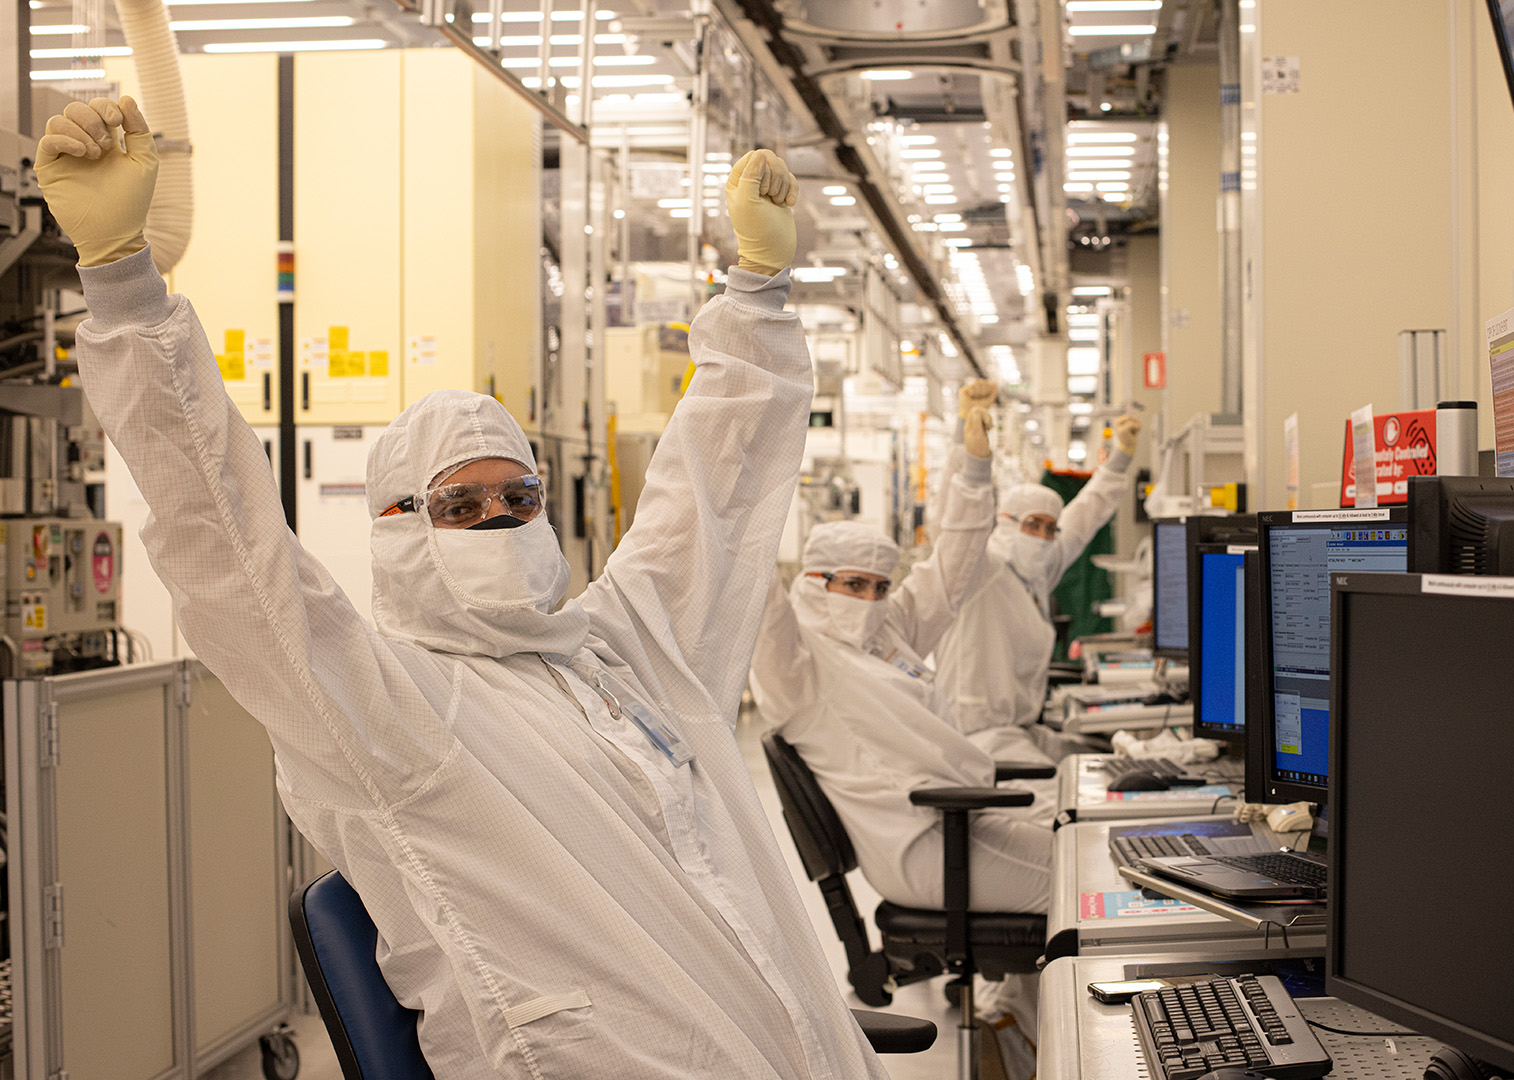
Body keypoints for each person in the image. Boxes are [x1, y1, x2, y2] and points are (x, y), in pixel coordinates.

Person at [41, 96, 885, 1079]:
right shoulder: (388, 707)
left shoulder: (615, 652)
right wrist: (128, 293)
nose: (498, 522)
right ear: (397, 528)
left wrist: (757, 296)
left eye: (517, 498)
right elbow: (225, 543)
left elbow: (715, 497)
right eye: (460, 505)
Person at [750, 384, 1056, 916]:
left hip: (961, 821)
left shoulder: (887, 631)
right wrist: (752, 447)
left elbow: (953, 564)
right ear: (814, 582)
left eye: (880, 586)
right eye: (853, 585)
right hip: (921, 848)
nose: (869, 599)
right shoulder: (796, 665)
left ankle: (1014, 1002)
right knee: (1083, 885)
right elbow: (746, 566)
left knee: (1084, 852)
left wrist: (975, 467)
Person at [933, 412, 1143, 763]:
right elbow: (953, 521)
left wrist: (1120, 457)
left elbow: (1081, 520)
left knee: (1107, 761)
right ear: (1005, 522)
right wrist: (967, 450)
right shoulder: (979, 571)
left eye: (1050, 529)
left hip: (1020, 730)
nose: (1043, 538)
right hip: (976, 738)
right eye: (1033, 525)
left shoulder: (1036, 574)